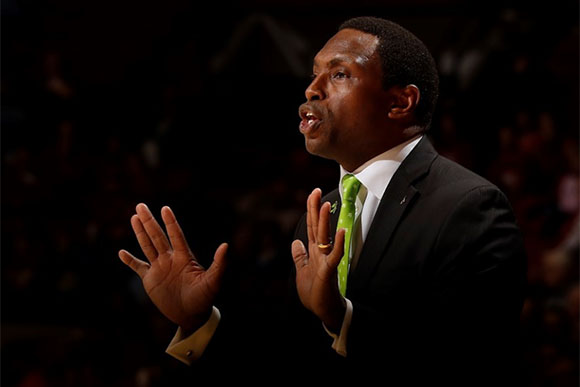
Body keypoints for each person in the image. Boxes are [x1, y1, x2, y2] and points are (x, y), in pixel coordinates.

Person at [119, 16, 527, 385]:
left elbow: (469, 361)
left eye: (339, 74)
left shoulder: (470, 207)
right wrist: (198, 323)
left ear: (400, 103)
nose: (312, 89)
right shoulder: (319, 216)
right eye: (315, 74)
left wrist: (341, 319)